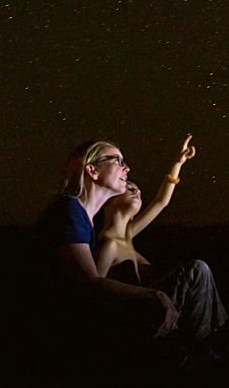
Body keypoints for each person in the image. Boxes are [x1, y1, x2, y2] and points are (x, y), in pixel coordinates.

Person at [37, 138, 180, 340]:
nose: (127, 168)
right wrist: (152, 295)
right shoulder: (68, 212)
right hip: (56, 331)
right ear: (92, 171)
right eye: (118, 161)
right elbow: (88, 285)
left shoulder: (83, 219)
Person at [95, 134, 228, 344]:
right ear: (108, 201)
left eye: (138, 191)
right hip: (136, 311)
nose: (136, 192)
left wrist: (178, 163)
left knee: (198, 270)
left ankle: (207, 338)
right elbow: (94, 289)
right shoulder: (108, 243)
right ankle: (200, 344)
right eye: (129, 188)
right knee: (196, 269)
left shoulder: (128, 234)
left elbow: (161, 201)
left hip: (152, 305)